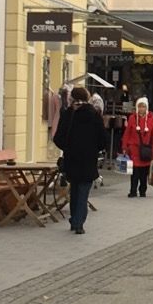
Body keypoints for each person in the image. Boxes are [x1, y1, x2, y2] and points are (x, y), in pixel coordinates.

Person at [54, 85, 107, 233]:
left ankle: (74, 220)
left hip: (72, 158)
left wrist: (68, 147)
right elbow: (103, 138)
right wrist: (94, 148)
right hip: (88, 159)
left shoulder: (68, 114)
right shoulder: (94, 114)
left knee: (75, 190)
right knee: (83, 190)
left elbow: (58, 138)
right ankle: (78, 223)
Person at [122, 97, 153, 198]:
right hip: (134, 149)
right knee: (134, 172)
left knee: (144, 173)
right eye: (139, 106)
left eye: (143, 106)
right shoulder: (132, 118)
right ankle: (133, 190)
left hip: (146, 151)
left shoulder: (151, 119)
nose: (141, 109)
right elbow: (127, 134)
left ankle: (143, 190)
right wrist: (125, 147)